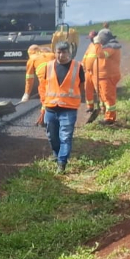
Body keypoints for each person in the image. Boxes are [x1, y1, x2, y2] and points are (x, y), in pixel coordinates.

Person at [36, 41, 85, 173]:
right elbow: (43, 87)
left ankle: (62, 163)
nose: (61, 55)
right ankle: (57, 155)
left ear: (69, 53)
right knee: (52, 136)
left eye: (64, 52)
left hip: (68, 109)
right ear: (55, 52)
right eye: (58, 52)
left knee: (65, 137)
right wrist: (43, 105)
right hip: (51, 108)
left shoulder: (78, 67)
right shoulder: (48, 67)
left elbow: (81, 86)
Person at [94, 30, 122, 124]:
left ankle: (110, 118)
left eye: (100, 39)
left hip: (109, 76)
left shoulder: (112, 47)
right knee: (103, 96)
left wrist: (97, 43)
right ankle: (106, 113)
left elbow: (100, 55)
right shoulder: (107, 47)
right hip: (104, 76)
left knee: (108, 97)